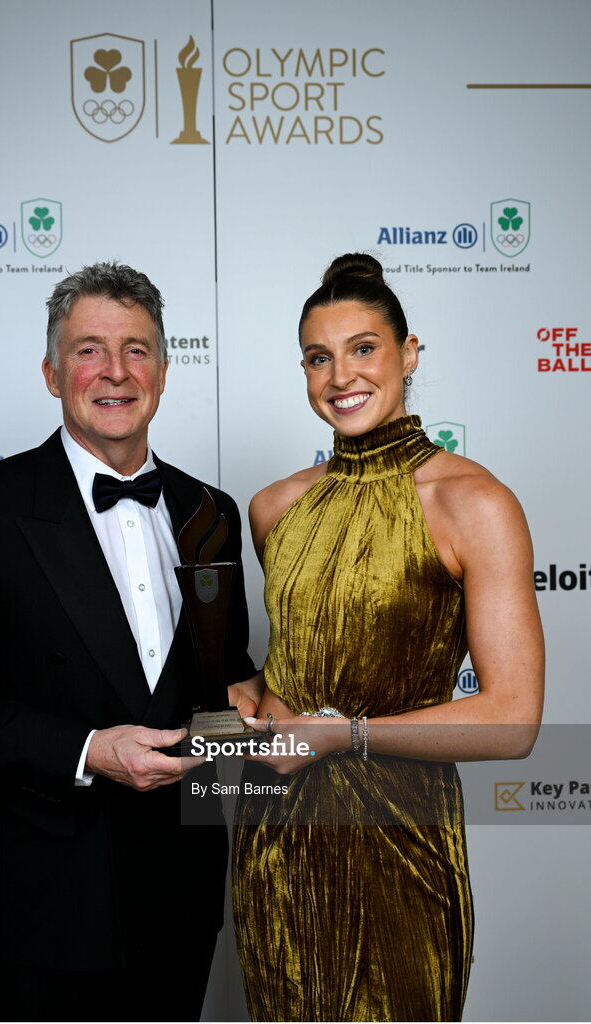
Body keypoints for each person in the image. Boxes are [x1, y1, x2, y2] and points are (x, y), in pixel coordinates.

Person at [0, 261, 260, 1023]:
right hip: (40, 906)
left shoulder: (212, 510)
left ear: (163, 369)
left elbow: (222, 682)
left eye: (136, 349)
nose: (115, 372)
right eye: (89, 349)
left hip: (180, 897)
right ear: (51, 371)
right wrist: (89, 751)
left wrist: (252, 709)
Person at [232, 253, 544, 1022]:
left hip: (404, 840)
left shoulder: (476, 502)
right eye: (318, 356)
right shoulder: (273, 508)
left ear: (408, 354)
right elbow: (297, 675)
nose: (341, 375)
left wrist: (347, 737)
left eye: (364, 348)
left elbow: (513, 721)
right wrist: (251, 692)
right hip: (277, 848)